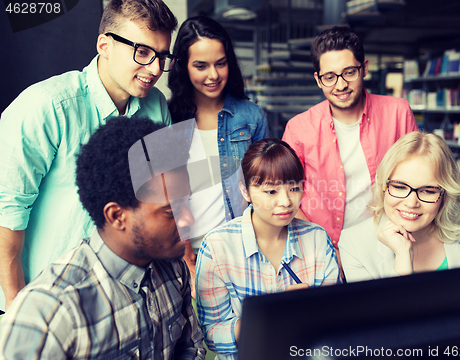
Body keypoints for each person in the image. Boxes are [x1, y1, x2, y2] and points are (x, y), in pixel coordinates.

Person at [0, 0, 177, 311]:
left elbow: (165, 199)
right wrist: (18, 309)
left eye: (162, 56)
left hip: (124, 301)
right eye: (143, 52)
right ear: (104, 45)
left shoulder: (157, 106)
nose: (155, 69)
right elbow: (7, 216)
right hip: (48, 304)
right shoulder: (46, 106)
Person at [0, 116, 206, 359]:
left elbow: (190, 348)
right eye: (171, 211)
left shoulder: (174, 269)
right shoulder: (49, 312)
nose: (189, 220)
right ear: (117, 216)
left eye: (187, 202)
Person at [195, 138, 341, 360]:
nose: (285, 201)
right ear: (245, 191)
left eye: (294, 188)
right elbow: (212, 335)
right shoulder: (217, 247)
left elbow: (334, 323)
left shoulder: (317, 239)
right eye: (271, 191)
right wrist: (276, 314)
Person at [282, 25, 418, 252]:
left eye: (349, 72)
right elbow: (285, 192)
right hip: (321, 250)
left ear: (364, 68)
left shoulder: (398, 112)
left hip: (386, 245)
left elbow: (418, 177)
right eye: (329, 77)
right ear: (318, 79)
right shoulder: (298, 128)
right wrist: (319, 245)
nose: (341, 85)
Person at [167, 16, 269, 284]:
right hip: (185, 254)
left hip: (242, 250)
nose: (213, 75)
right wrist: (185, 251)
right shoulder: (167, 119)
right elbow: (164, 195)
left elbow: (264, 188)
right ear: (183, 67)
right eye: (201, 66)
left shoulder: (252, 117)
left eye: (220, 63)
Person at [339, 132, 460, 283]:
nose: (411, 203)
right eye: (400, 187)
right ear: (383, 186)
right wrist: (402, 257)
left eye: (428, 191)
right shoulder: (353, 243)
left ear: (445, 194)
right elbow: (382, 311)